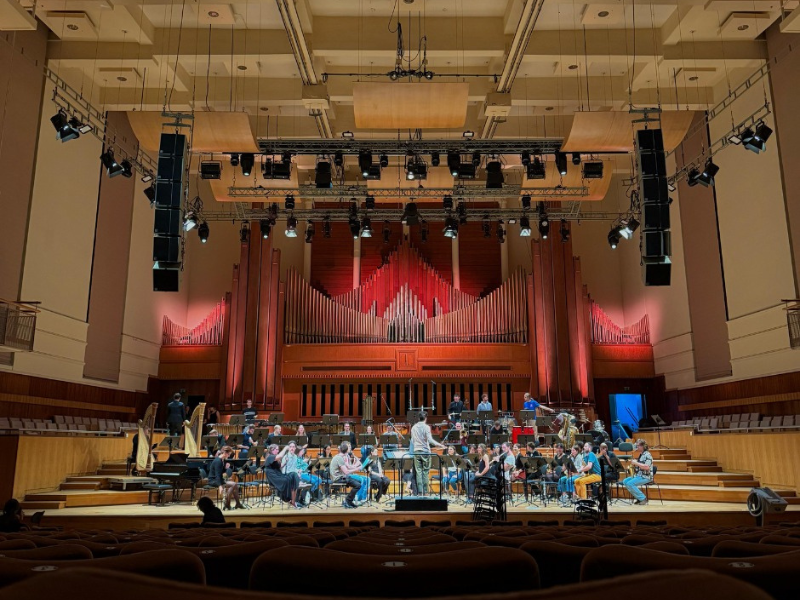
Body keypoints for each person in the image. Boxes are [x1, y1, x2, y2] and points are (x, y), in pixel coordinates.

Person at [410, 410, 445, 496]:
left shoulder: (413, 427)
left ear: (418, 418)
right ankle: (425, 492)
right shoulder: (426, 427)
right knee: (425, 472)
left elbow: (413, 441)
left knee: (418, 472)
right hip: (425, 451)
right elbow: (430, 440)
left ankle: (420, 492)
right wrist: (440, 445)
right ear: (425, 418)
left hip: (416, 451)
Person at [264, 443, 301, 508]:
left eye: (278, 449)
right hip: (273, 476)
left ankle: (293, 501)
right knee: (286, 480)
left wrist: (285, 462)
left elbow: (280, 466)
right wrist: (285, 448)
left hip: (278, 474)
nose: (278, 451)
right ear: (272, 450)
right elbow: (280, 456)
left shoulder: (274, 458)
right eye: (276, 449)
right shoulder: (270, 457)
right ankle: (286, 498)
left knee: (292, 477)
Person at [330, 441, 365, 508]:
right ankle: (348, 500)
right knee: (357, 485)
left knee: (358, 482)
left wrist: (356, 466)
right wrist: (357, 468)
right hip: (338, 479)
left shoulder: (339, 457)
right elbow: (346, 472)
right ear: (346, 450)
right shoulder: (339, 458)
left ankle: (349, 500)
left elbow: (347, 468)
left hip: (341, 477)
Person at [208, 445, 242, 510]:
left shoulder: (222, 460)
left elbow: (221, 471)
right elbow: (217, 475)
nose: (229, 456)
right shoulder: (218, 461)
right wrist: (220, 486)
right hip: (213, 480)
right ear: (225, 453)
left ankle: (237, 504)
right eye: (228, 454)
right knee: (233, 485)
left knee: (235, 485)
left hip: (218, 479)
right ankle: (227, 505)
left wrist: (226, 468)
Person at [621, 439, 653, 505]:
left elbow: (647, 467)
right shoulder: (641, 454)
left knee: (630, 484)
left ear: (642, 446)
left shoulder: (647, 455)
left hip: (646, 476)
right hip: (639, 475)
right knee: (625, 481)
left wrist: (636, 463)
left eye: (638, 445)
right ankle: (639, 498)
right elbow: (640, 465)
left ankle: (643, 499)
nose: (637, 447)